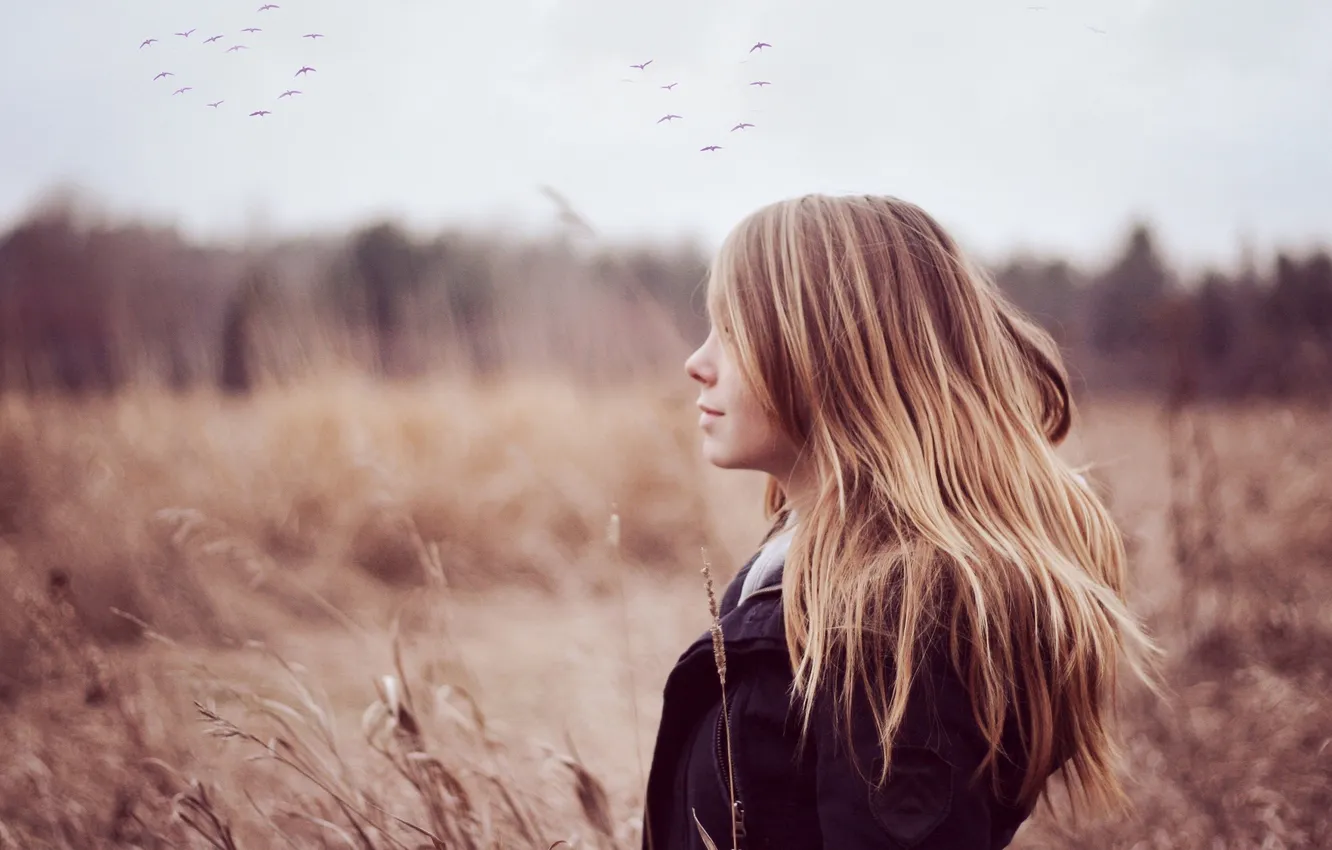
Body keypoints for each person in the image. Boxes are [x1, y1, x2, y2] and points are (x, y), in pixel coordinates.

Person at [640, 194, 1161, 850]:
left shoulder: (897, 626)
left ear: (836, 355)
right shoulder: (809, 576)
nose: (699, 361)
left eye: (733, 331)